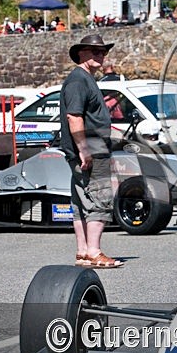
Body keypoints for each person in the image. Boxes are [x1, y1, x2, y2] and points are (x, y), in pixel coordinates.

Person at [59, 34, 123, 268]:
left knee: (80, 200)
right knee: (101, 197)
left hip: (89, 148)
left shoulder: (84, 79)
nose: (101, 55)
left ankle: (84, 252)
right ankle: (94, 251)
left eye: (103, 51)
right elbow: (74, 117)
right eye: (95, 51)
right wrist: (84, 150)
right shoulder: (78, 80)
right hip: (90, 150)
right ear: (81, 54)